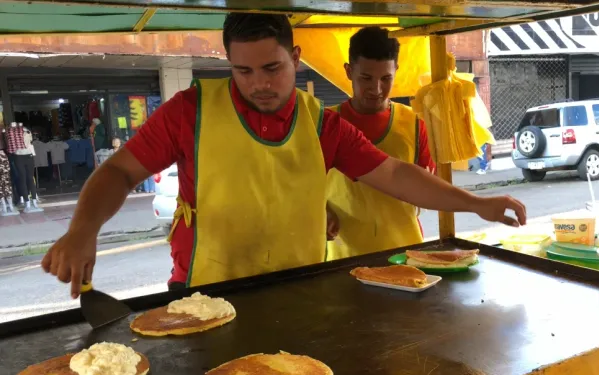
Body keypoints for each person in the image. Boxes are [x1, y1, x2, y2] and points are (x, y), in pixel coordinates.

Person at [42, 13, 526, 298]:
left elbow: (395, 174)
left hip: (302, 291)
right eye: (243, 71)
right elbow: (120, 171)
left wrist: (476, 203)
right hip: (207, 293)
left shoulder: (321, 122)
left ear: (295, 58)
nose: (259, 84)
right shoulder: (189, 111)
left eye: (272, 68)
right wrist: (82, 230)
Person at [325, 27, 435, 260]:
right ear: (348, 71)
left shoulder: (414, 124)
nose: (376, 89)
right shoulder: (325, 124)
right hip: (344, 256)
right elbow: (303, 186)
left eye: (386, 79)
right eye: (366, 78)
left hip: (405, 254)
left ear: (396, 70)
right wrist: (319, 210)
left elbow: (428, 186)